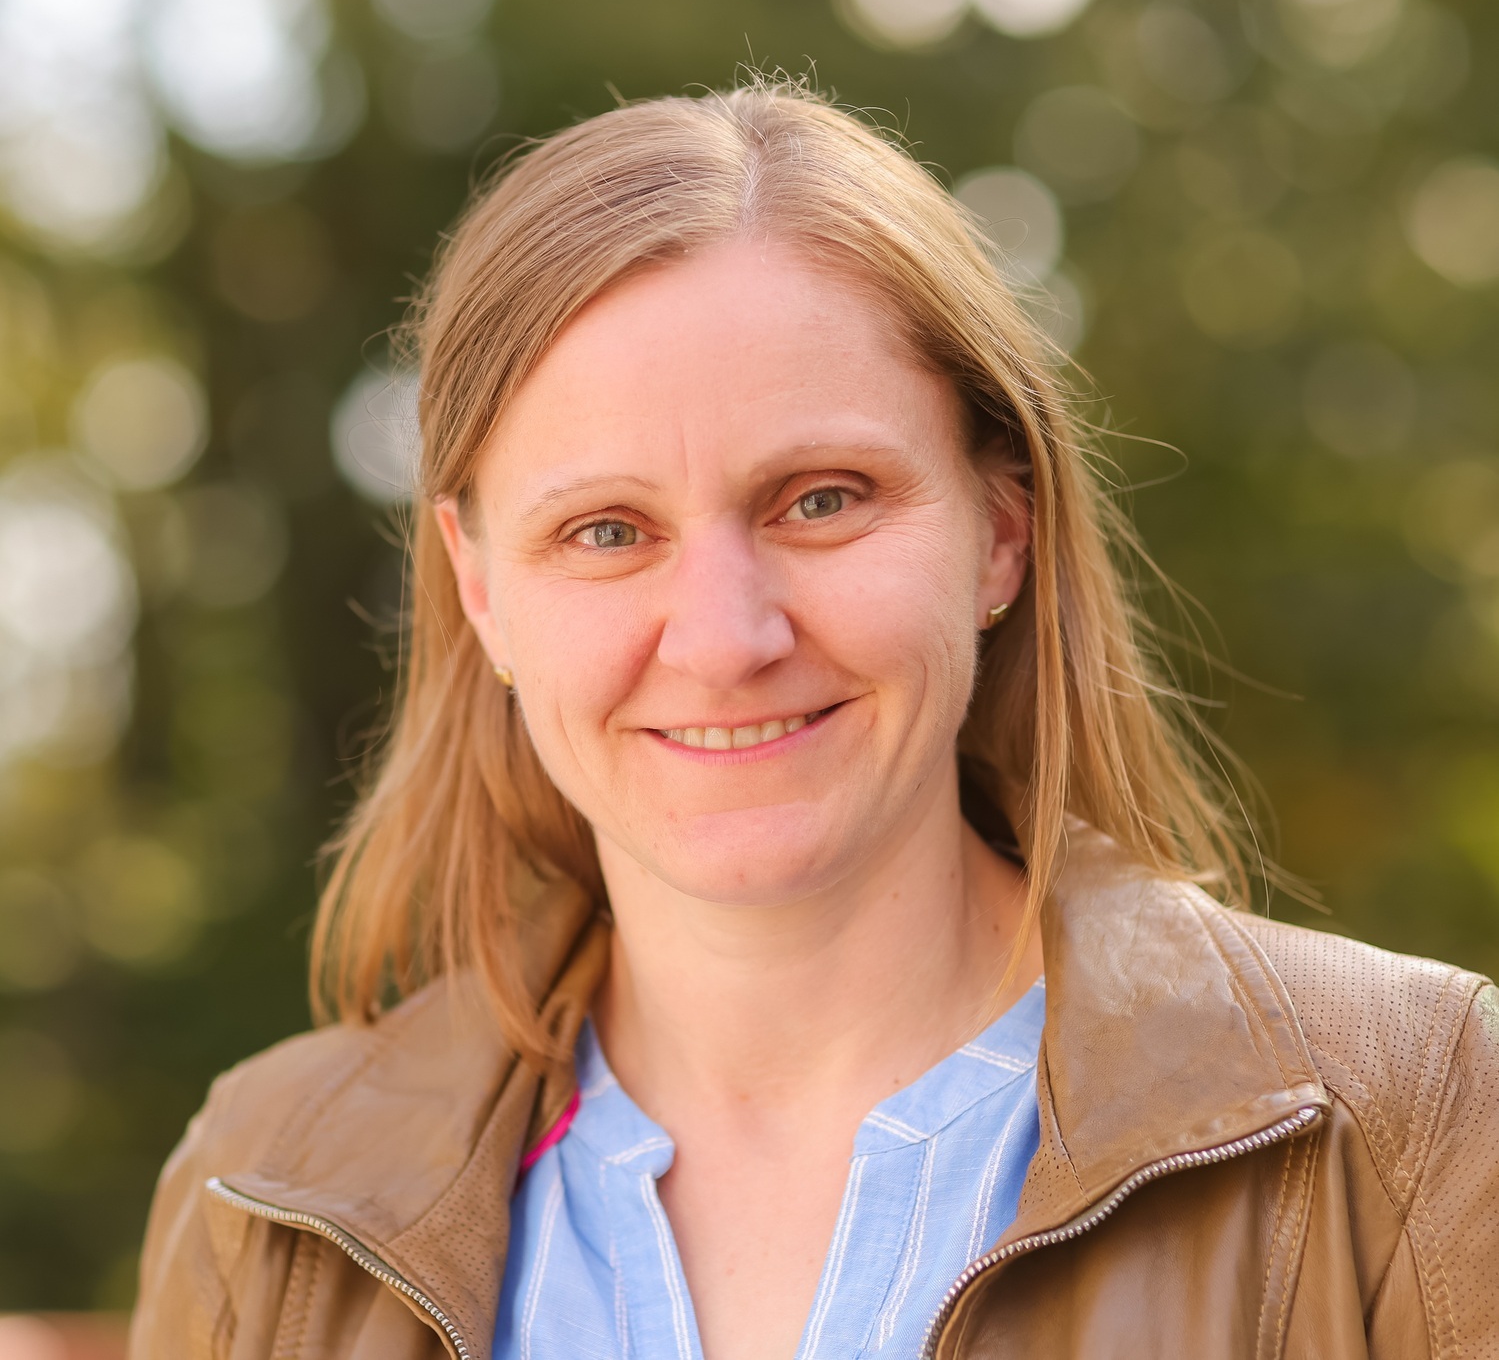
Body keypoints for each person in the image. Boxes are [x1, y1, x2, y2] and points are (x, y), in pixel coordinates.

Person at [129, 84, 1499, 1360]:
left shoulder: (1415, 1118)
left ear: (1001, 530)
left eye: (823, 499)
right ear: (481, 591)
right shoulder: (260, 1195)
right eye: (606, 531)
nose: (725, 640)